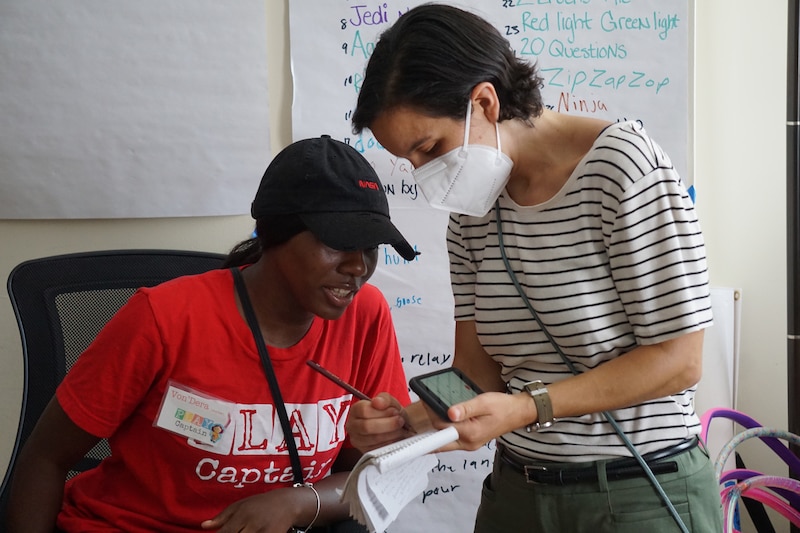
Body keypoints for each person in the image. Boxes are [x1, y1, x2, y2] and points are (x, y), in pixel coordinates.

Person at [346, 4, 723, 532]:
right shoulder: (471, 219)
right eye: (409, 161)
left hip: (639, 491)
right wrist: (408, 424)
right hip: (519, 493)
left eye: (429, 148)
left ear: (484, 100)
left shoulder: (624, 168)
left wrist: (529, 408)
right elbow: (478, 376)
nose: (423, 173)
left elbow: (679, 360)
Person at [7, 135, 417, 533]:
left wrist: (296, 502)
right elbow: (46, 458)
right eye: (339, 243)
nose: (358, 267)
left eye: (371, 248)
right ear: (274, 232)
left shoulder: (365, 315)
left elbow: (374, 471)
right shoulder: (163, 317)